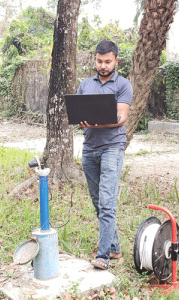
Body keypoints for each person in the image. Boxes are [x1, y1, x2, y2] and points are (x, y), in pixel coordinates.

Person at [77, 40, 133, 270]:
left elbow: (121, 118)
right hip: (89, 149)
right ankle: (115, 248)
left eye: (107, 61)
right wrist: (83, 121)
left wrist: (96, 123)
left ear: (116, 61)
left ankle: (103, 256)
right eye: (99, 61)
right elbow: (79, 114)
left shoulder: (123, 85)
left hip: (112, 148)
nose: (103, 65)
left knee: (107, 203)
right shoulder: (85, 84)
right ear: (95, 60)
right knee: (98, 203)